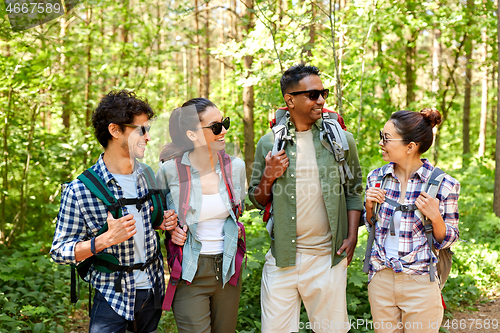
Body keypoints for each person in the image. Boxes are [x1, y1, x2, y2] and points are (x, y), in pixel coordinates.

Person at [248, 64, 364, 333]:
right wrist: (269, 175)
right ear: (290, 100)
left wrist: (352, 236)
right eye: (313, 95)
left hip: (328, 257)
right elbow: (256, 199)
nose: (321, 100)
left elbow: (354, 190)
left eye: (323, 93)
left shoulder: (342, 141)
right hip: (282, 258)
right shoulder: (269, 144)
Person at [50, 90, 177, 333]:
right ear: (115, 130)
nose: (148, 137)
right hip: (111, 296)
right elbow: (59, 250)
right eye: (141, 129)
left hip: (151, 288)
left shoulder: (148, 175)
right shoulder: (79, 190)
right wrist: (104, 240)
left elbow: (151, 218)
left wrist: (160, 221)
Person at [363, 108, 460, 332]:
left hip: (420, 282)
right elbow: (372, 225)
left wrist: (436, 218)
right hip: (381, 279)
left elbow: (449, 239)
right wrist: (369, 207)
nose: (381, 143)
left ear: (410, 146)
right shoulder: (376, 177)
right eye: (381, 136)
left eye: (386, 138)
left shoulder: (443, 184)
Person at [157, 98, 246, 333]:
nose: (224, 131)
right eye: (216, 127)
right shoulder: (169, 171)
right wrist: (166, 224)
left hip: (228, 269)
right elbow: (153, 216)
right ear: (192, 135)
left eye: (224, 123)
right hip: (189, 273)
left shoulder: (235, 167)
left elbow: (238, 210)